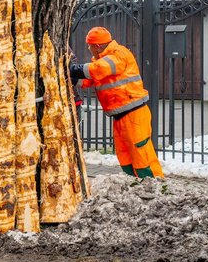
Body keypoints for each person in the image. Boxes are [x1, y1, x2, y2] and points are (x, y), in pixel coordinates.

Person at [70, 27, 164, 178]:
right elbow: (89, 79)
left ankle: (155, 183)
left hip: (134, 113)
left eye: (90, 46)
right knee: (124, 153)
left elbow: (99, 69)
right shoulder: (101, 61)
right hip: (120, 115)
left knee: (141, 152)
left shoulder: (119, 54)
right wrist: (73, 78)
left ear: (97, 46)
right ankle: (133, 181)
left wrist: (74, 69)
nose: (89, 49)